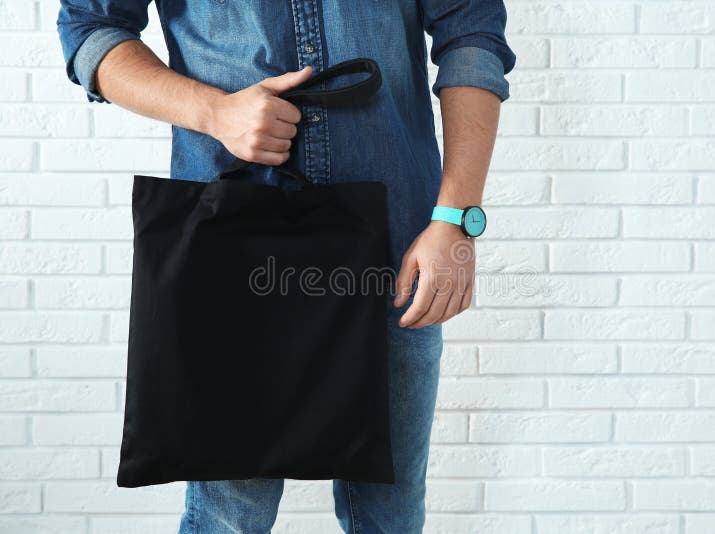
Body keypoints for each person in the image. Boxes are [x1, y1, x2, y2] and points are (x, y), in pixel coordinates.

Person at [56, 1, 515, 532]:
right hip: (230, 256)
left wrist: (457, 218)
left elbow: (472, 31)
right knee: (231, 513)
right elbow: (90, 27)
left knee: (391, 510)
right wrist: (214, 113)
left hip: (398, 253)